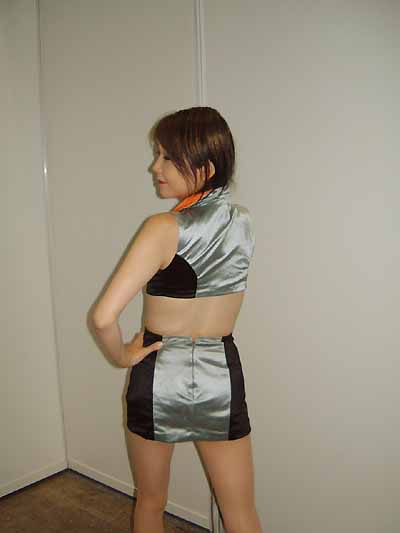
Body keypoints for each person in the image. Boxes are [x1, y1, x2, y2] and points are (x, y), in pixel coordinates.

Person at [92, 106, 262, 533]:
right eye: (158, 154)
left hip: (158, 372)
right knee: (240, 511)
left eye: (167, 157)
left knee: (151, 502)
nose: (155, 167)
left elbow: (102, 317)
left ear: (206, 167)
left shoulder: (162, 227)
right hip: (220, 372)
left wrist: (121, 356)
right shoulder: (243, 221)